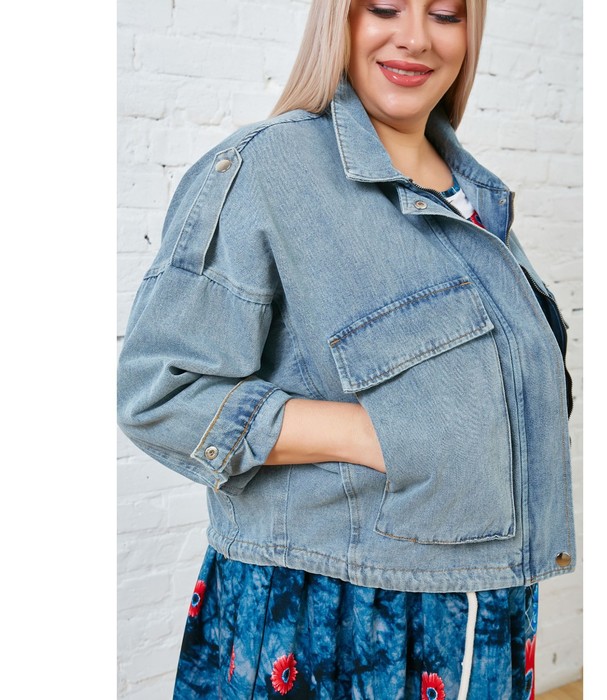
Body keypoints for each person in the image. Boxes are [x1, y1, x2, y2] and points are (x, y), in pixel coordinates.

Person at [117, 0, 576, 697]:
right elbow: (161, 393)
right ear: (339, 19)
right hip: (327, 626)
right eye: (385, 7)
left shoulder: (475, 199)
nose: (416, 38)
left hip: (490, 612)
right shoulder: (266, 170)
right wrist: (377, 435)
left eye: (446, 14)